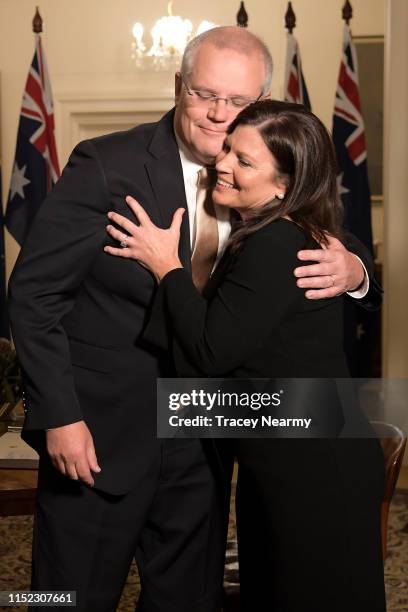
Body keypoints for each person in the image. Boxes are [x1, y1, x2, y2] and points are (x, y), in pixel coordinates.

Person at [8, 26, 380, 611]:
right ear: (178, 85)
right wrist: (59, 416)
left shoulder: (263, 171)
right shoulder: (109, 164)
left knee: (188, 601)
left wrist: (355, 269)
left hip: (205, 439)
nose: (217, 115)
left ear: (259, 101)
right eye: (205, 94)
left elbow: (329, 231)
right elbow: (33, 295)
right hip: (101, 436)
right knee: (67, 598)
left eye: (237, 102)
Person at [104, 100, 386, 612]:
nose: (224, 163)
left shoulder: (275, 241)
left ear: (284, 186)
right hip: (289, 458)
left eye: (245, 161)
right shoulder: (283, 229)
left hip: (312, 472)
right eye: (229, 148)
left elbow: (211, 351)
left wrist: (167, 267)